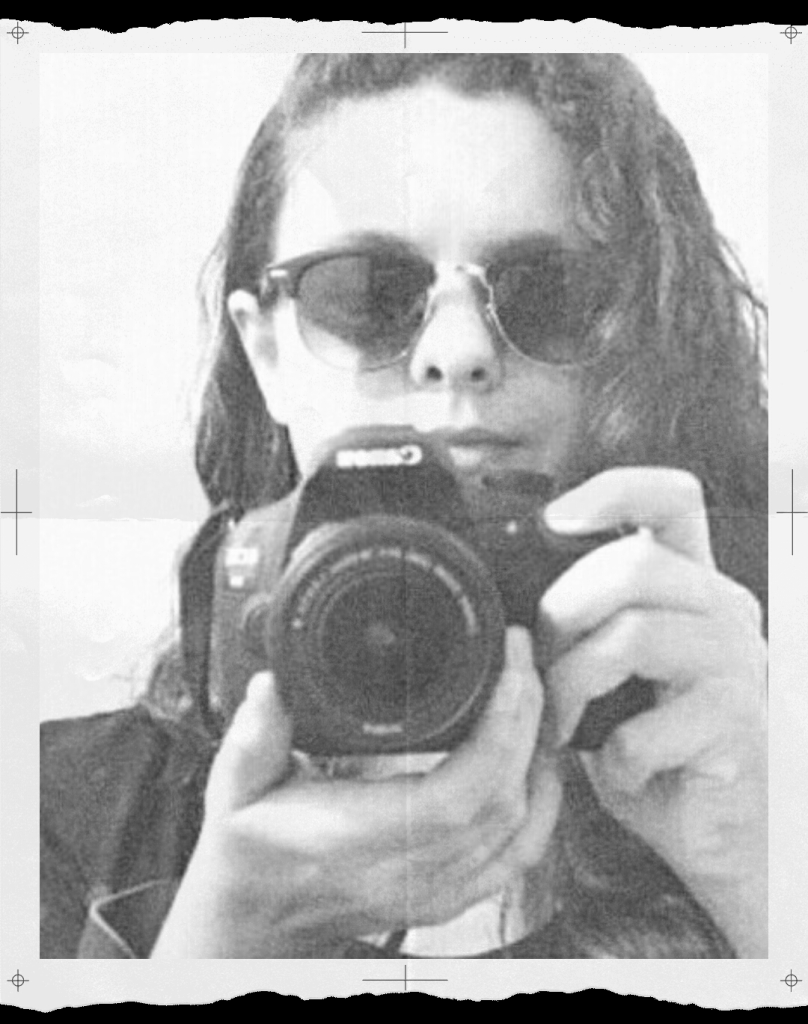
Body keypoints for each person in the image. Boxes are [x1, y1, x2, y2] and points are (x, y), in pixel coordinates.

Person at [40, 53, 768, 959]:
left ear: (638, 345)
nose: (457, 350)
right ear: (266, 355)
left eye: (551, 292)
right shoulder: (52, 813)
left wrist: (757, 866)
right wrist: (226, 935)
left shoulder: (748, 771)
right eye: (367, 293)